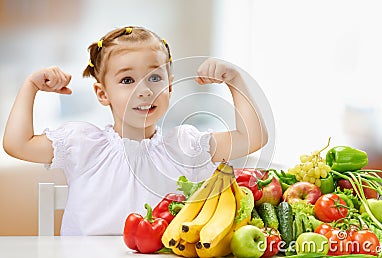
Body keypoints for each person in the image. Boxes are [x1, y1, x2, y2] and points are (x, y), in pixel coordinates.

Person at [3, 26, 268, 236]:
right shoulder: (82, 144)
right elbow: (18, 144)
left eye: (155, 78)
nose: (145, 90)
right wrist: (30, 86)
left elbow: (253, 138)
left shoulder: (185, 146)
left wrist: (235, 79)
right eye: (127, 80)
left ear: (170, 86)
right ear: (102, 93)